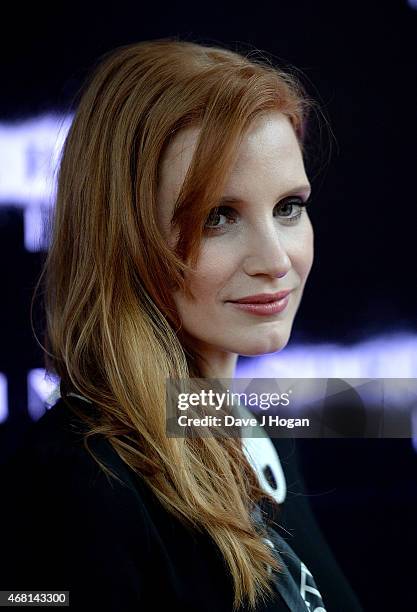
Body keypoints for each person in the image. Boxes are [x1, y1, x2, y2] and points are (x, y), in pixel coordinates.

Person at [0, 39, 362, 611]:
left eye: (288, 207)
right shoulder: (82, 481)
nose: (276, 259)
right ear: (122, 235)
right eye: (217, 217)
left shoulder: (238, 426)